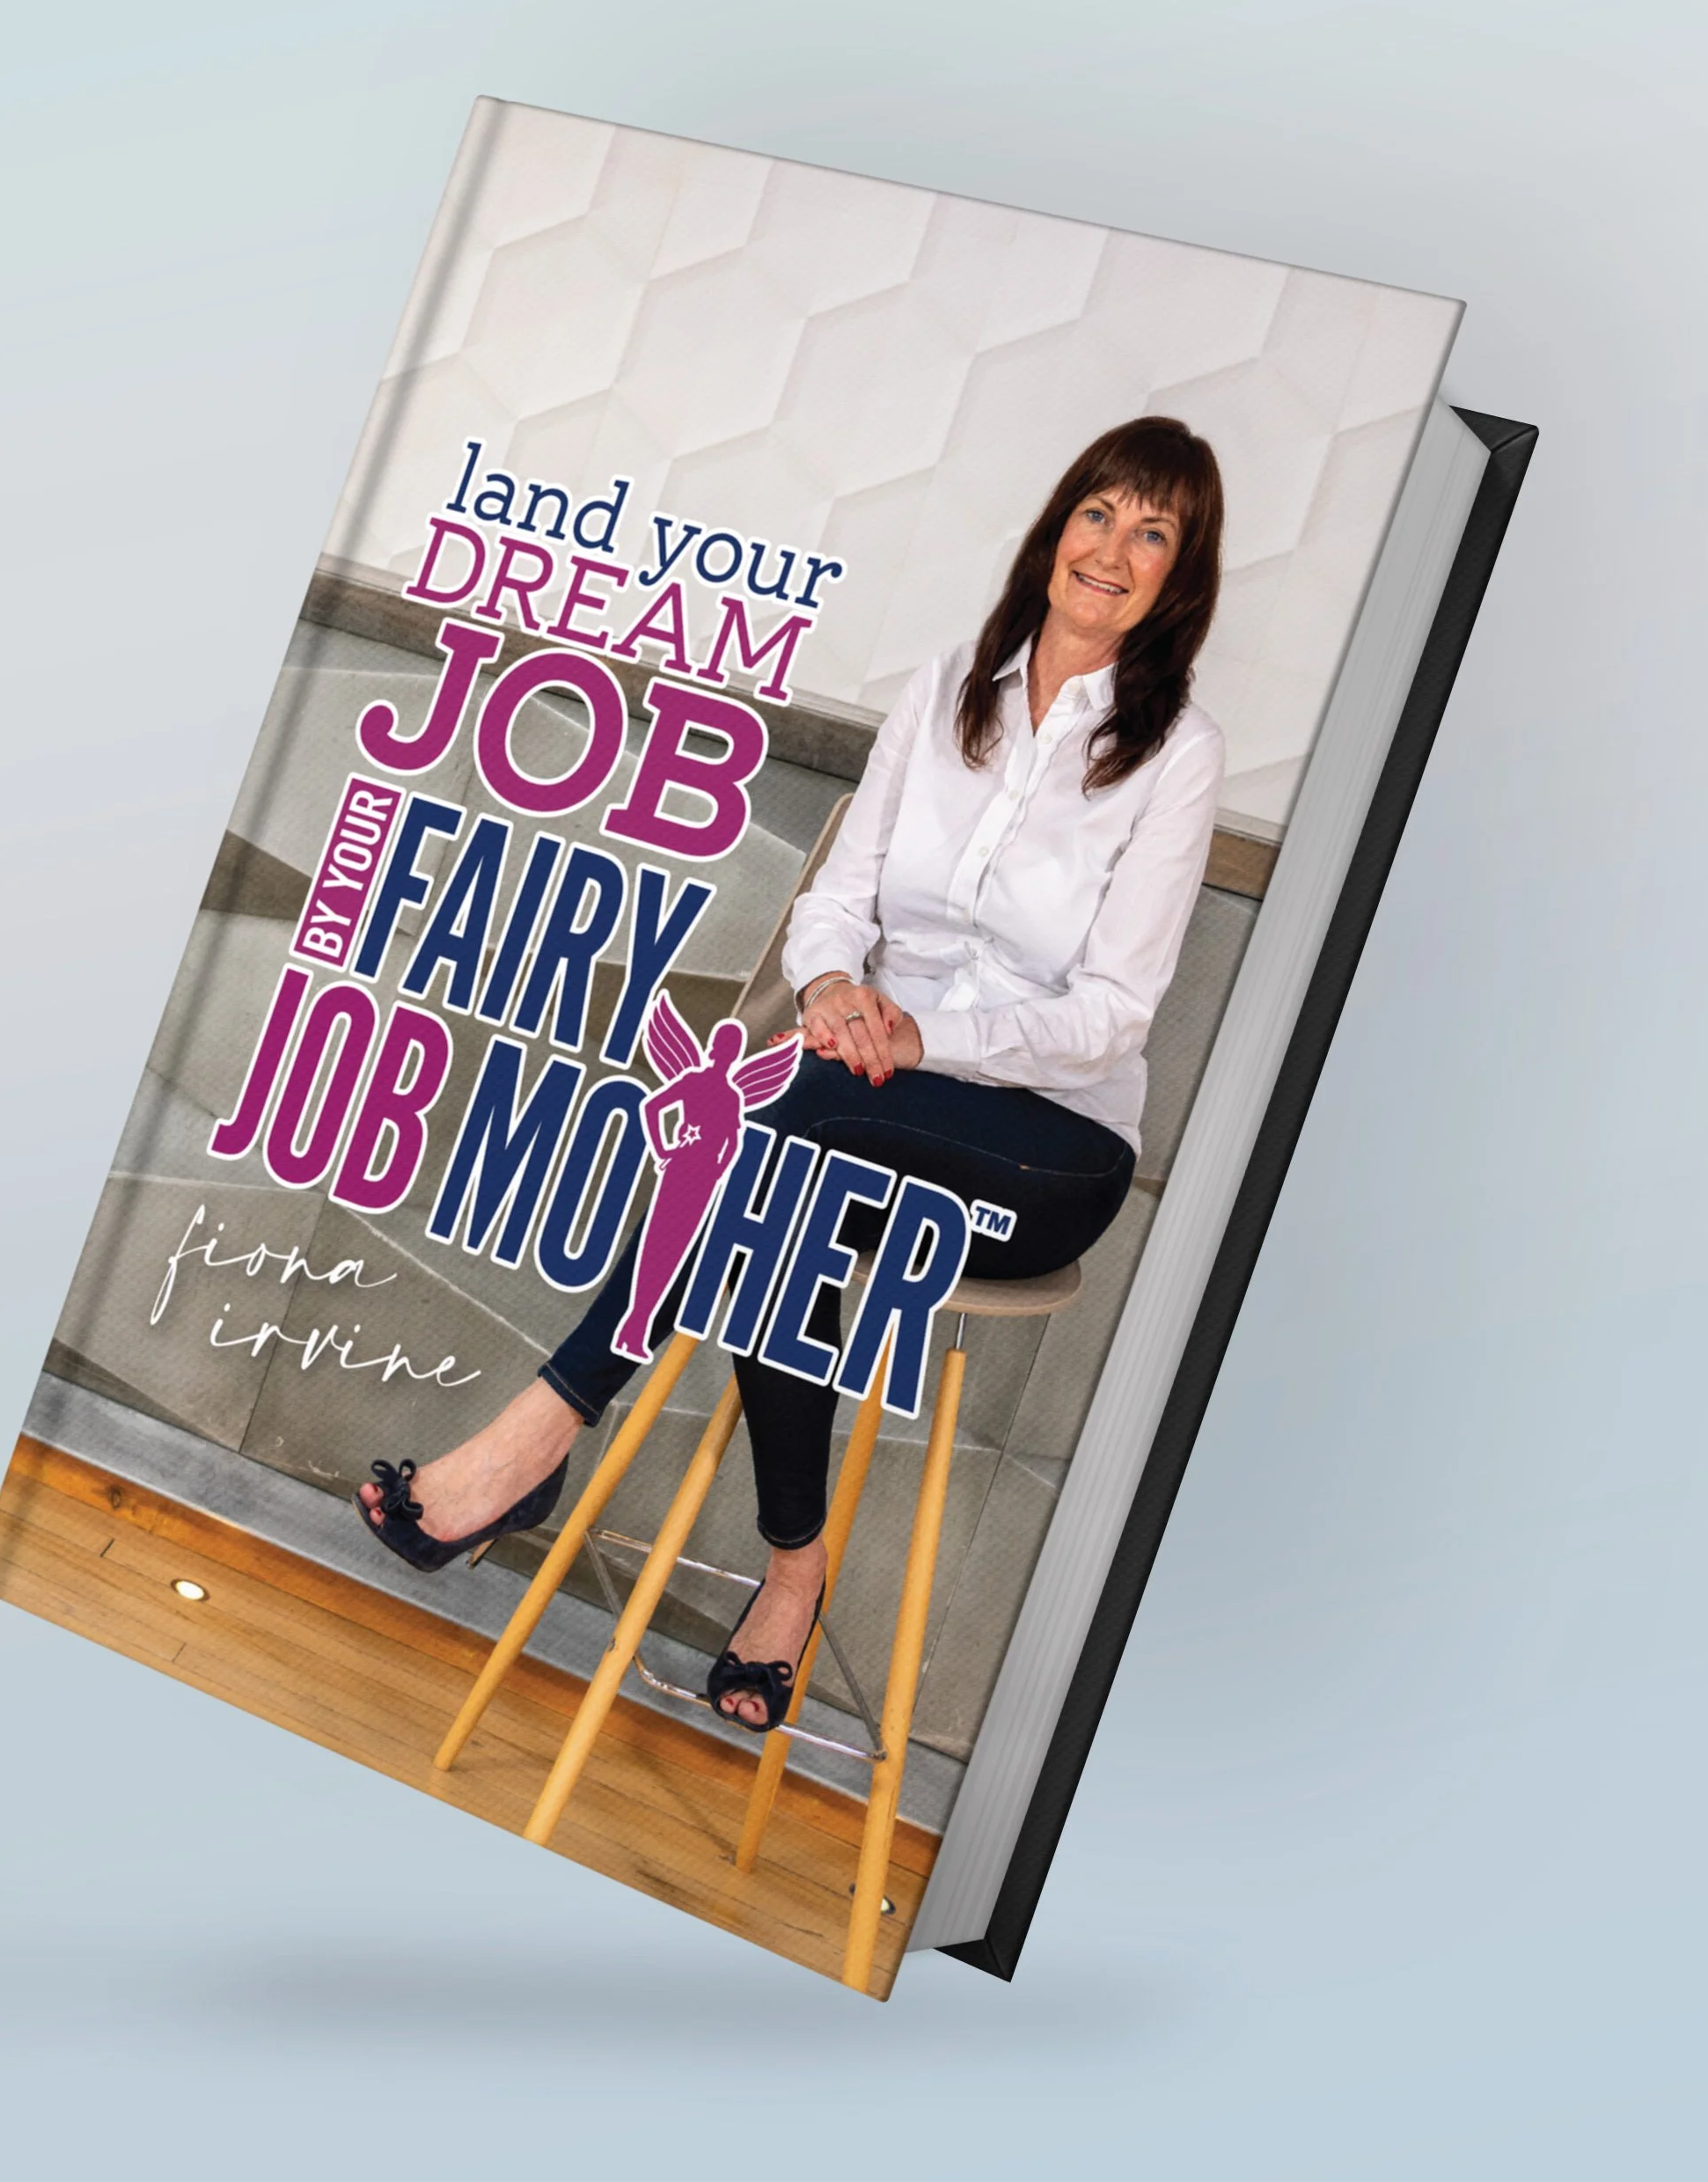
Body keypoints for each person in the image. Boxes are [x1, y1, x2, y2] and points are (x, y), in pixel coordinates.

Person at [358, 415, 1228, 1734]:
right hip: (860, 1101)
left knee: (782, 1117)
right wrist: (831, 991)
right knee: (786, 1180)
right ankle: (793, 1576)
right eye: (1101, 512)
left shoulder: (1175, 754)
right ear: (1058, 525)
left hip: (1047, 1155)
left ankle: (534, 1438)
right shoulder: (947, 690)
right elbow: (839, 898)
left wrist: (920, 1040)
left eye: (1153, 532)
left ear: (1180, 578)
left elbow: (1109, 1016)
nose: (1115, 548)